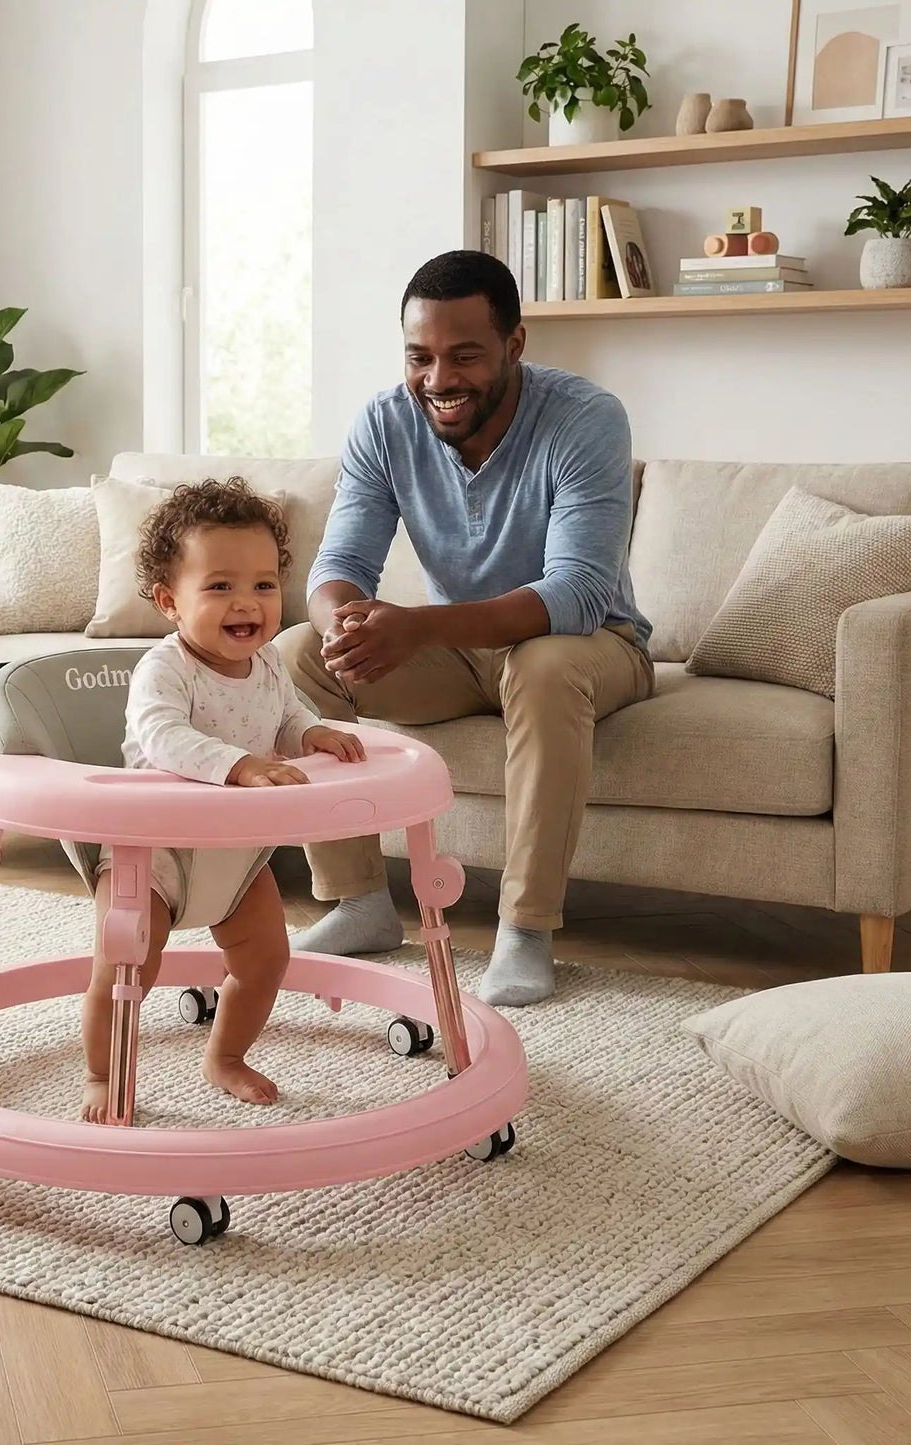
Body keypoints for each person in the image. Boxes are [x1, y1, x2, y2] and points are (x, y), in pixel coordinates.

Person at [274, 249, 654, 1008]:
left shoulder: (585, 418)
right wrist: (345, 621)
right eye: (419, 357)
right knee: (299, 653)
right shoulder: (385, 423)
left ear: (515, 344)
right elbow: (341, 560)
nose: (438, 380)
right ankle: (358, 903)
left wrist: (417, 628)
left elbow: (578, 591)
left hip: (591, 645)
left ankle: (525, 926)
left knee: (544, 665)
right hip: (459, 653)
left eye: (464, 356)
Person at [81, 478, 365, 1122]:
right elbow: (164, 738)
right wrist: (238, 765)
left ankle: (226, 1056)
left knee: (267, 959)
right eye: (220, 587)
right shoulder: (166, 669)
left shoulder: (267, 664)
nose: (248, 603)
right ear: (169, 602)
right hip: (151, 855)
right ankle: (102, 1073)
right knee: (124, 966)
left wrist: (312, 733)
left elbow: (285, 717)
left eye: (264, 585)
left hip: (235, 857)